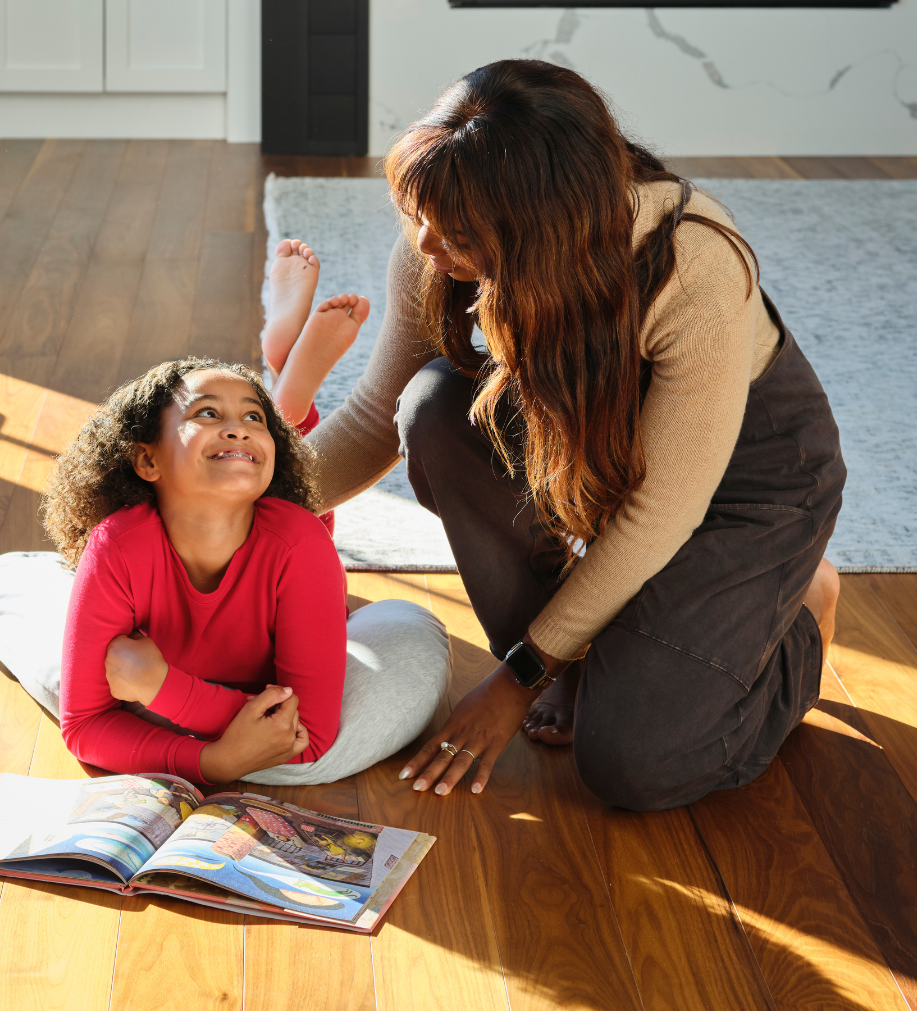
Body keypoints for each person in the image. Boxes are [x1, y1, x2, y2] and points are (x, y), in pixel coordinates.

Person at [298, 59, 847, 811]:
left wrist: (517, 681)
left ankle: (797, 614)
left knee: (634, 765)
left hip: (743, 486)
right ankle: (580, 654)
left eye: (454, 232)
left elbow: (662, 510)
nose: (424, 243)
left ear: (543, 230)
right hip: (605, 454)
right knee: (434, 411)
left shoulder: (692, 264)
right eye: (417, 213)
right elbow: (371, 421)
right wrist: (225, 497)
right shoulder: (446, 228)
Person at [0, 246, 450, 788]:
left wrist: (167, 694)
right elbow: (86, 725)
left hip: (213, 664)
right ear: (147, 460)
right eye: (206, 413)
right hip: (205, 677)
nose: (237, 427)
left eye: (255, 417)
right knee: (8, 584)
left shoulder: (299, 540)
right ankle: (283, 389)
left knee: (408, 635)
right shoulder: (117, 545)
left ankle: (288, 396)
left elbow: (308, 735)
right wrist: (217, 758)